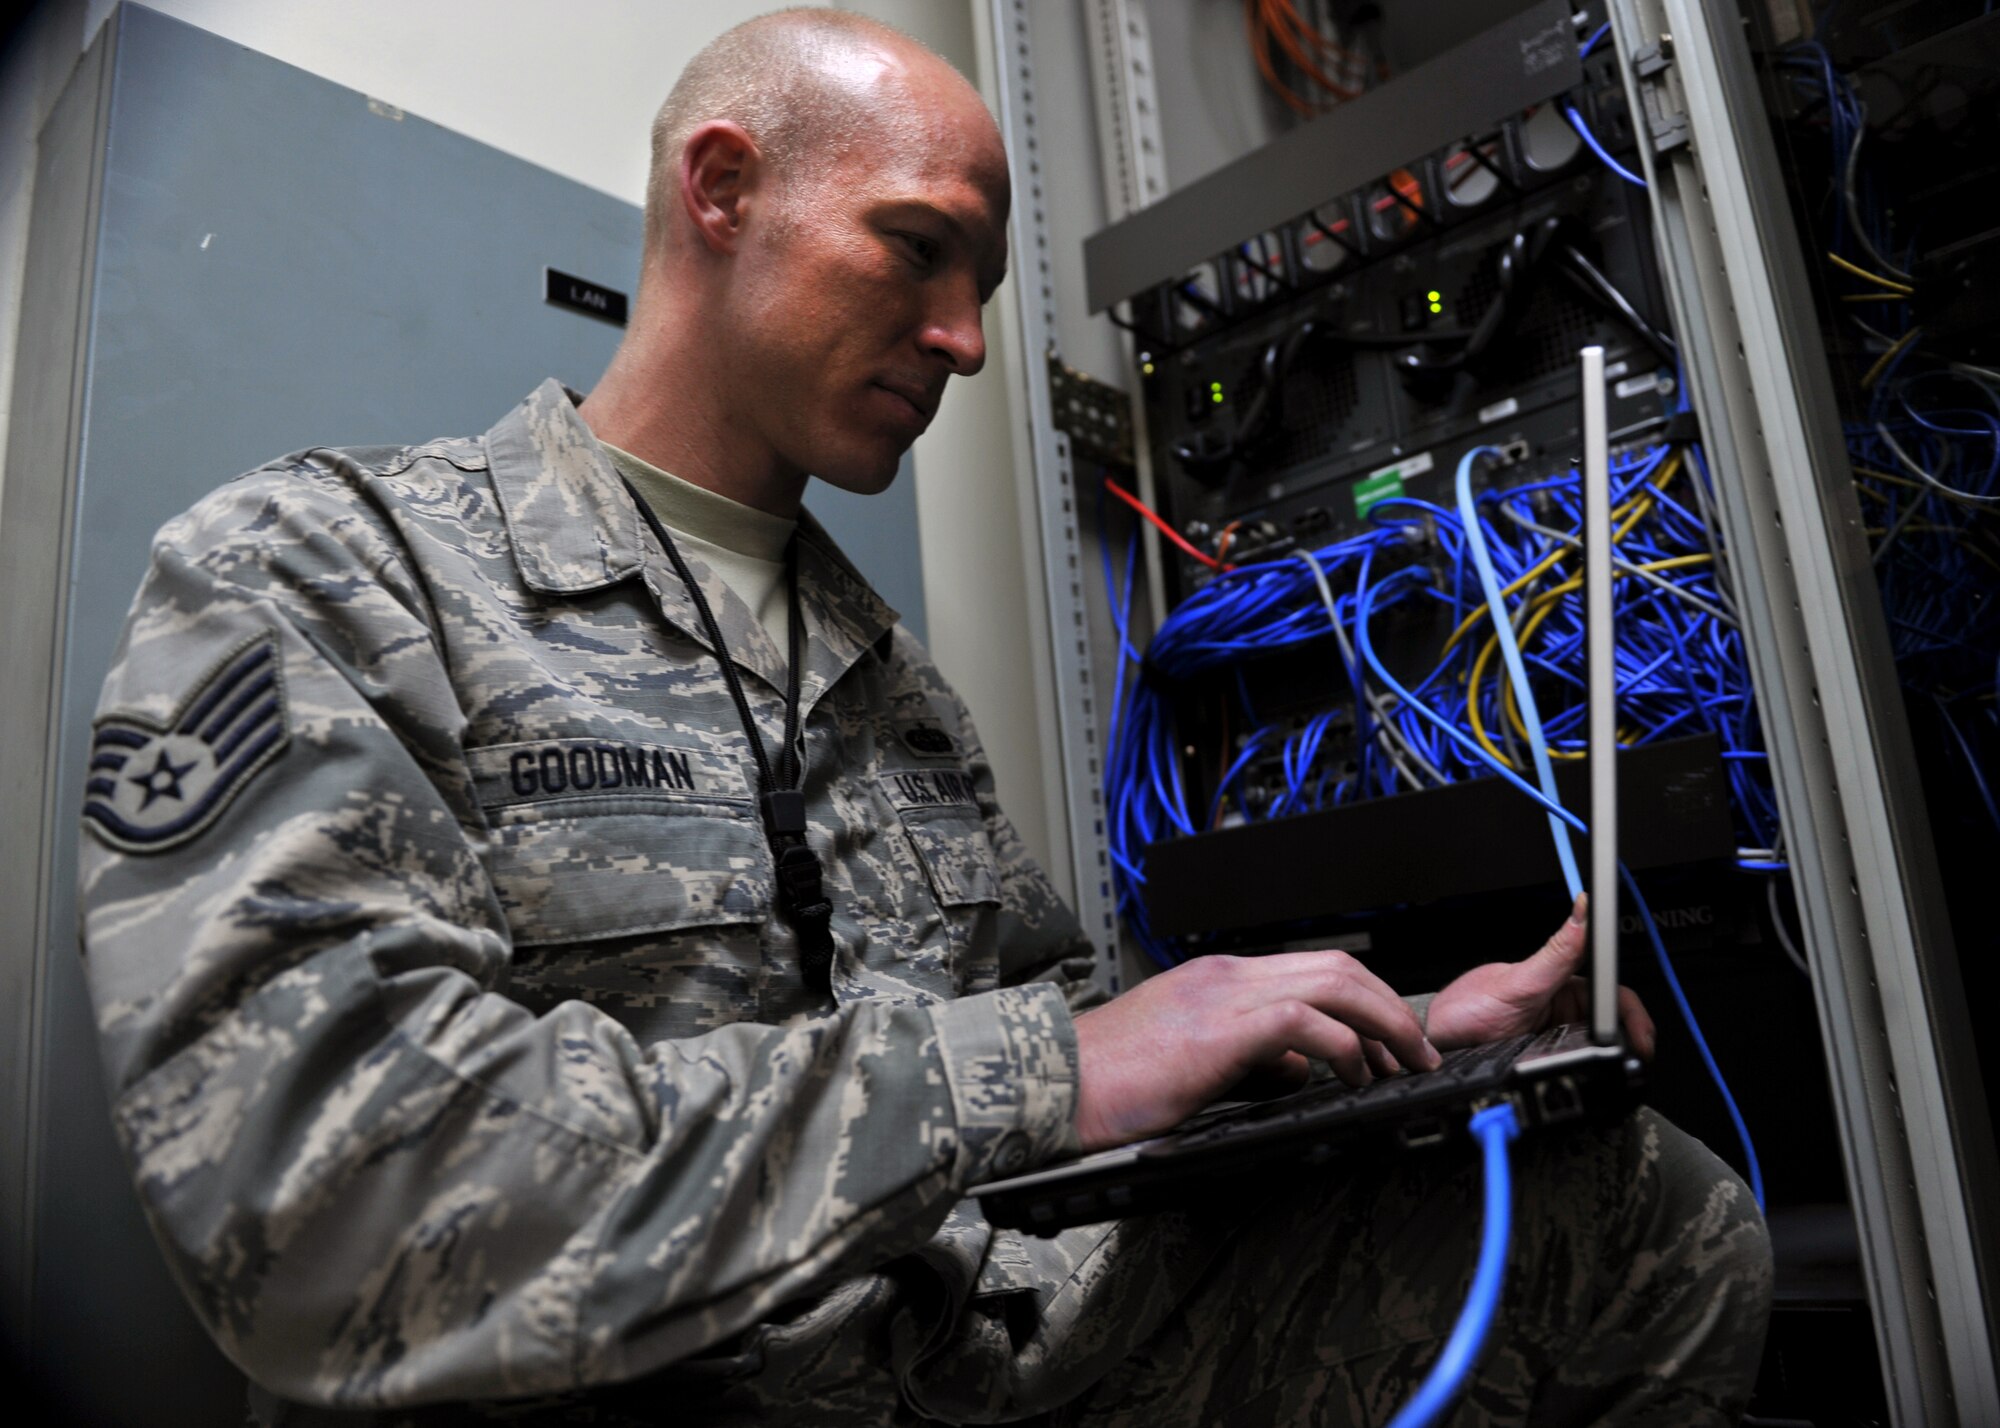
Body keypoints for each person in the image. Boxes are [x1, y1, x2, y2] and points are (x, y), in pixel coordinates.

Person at [77, 9, 1771, 1425]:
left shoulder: (880, 674)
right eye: (916, 248)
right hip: (644, 1385)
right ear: (723, 190)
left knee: (1645, 1212)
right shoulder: (330, 572)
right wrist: (1036, 1068)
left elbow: (1079, 1091)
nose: (966, 339)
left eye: (986, 278)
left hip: (979, 1362)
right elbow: (322, 1201)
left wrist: (1371, 1062)